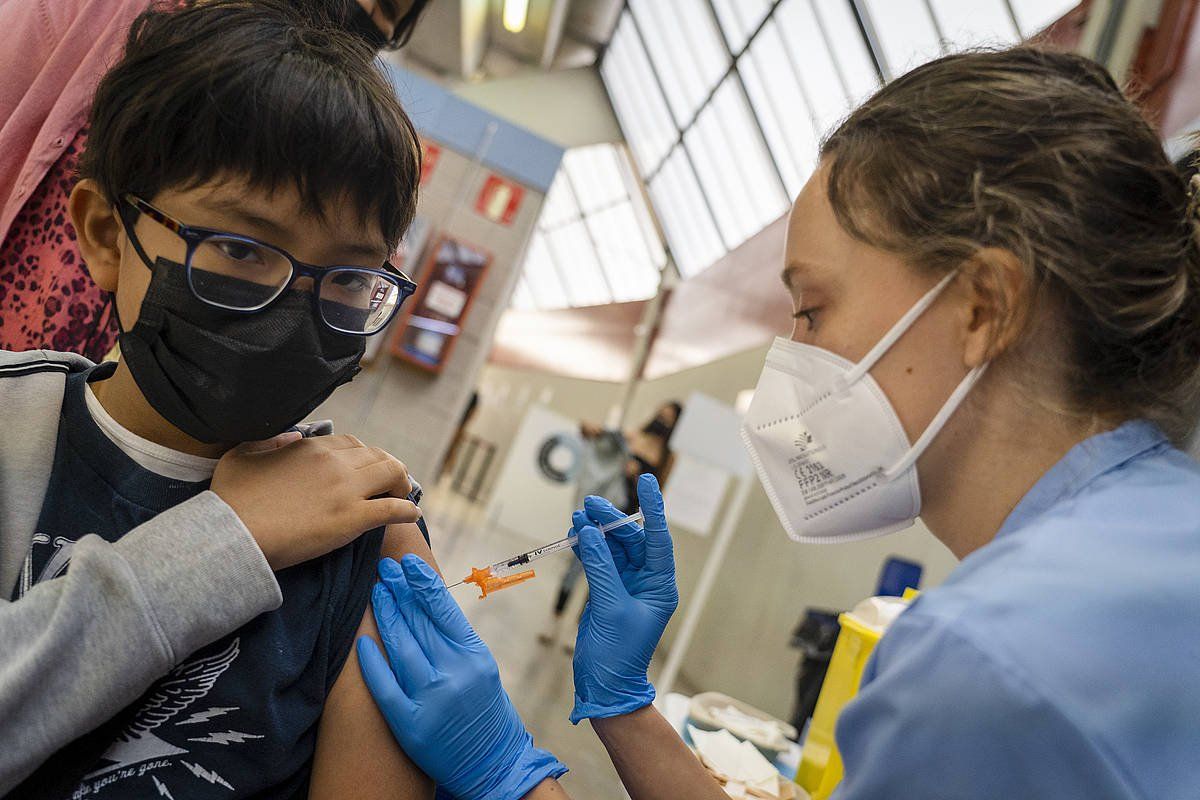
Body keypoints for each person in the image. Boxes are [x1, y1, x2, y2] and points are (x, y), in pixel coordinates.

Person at [359, 46, 1200, 799]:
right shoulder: (1157, 537)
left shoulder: (992, 666)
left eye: (812, 310)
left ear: (983, 306)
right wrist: (624, 705)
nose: (795, 357)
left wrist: (506, 770)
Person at [0, 2, 450, 797]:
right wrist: (223, 541)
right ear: (106, 234)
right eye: (241, 250)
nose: (290, 317)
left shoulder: (368, 531)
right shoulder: (11, 433)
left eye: (348, 277)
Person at [0, 0, 425, 361]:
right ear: (106, 230)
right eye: (239, 249)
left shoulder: (323, 141)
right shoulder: (77, 19)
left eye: (387, 7)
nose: (359, 6)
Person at [540, 401, 682, 648]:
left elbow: (659, 491)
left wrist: (638, 475)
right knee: (575, 569)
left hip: (627, 524)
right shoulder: (633, 436)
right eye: (661, 415)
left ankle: (579, 633)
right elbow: (594, 436)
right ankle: (553, 622)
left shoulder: (669, 457)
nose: (662, 421)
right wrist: (592, 430)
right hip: (605, 513)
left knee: (603, 578)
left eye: (668, 419)